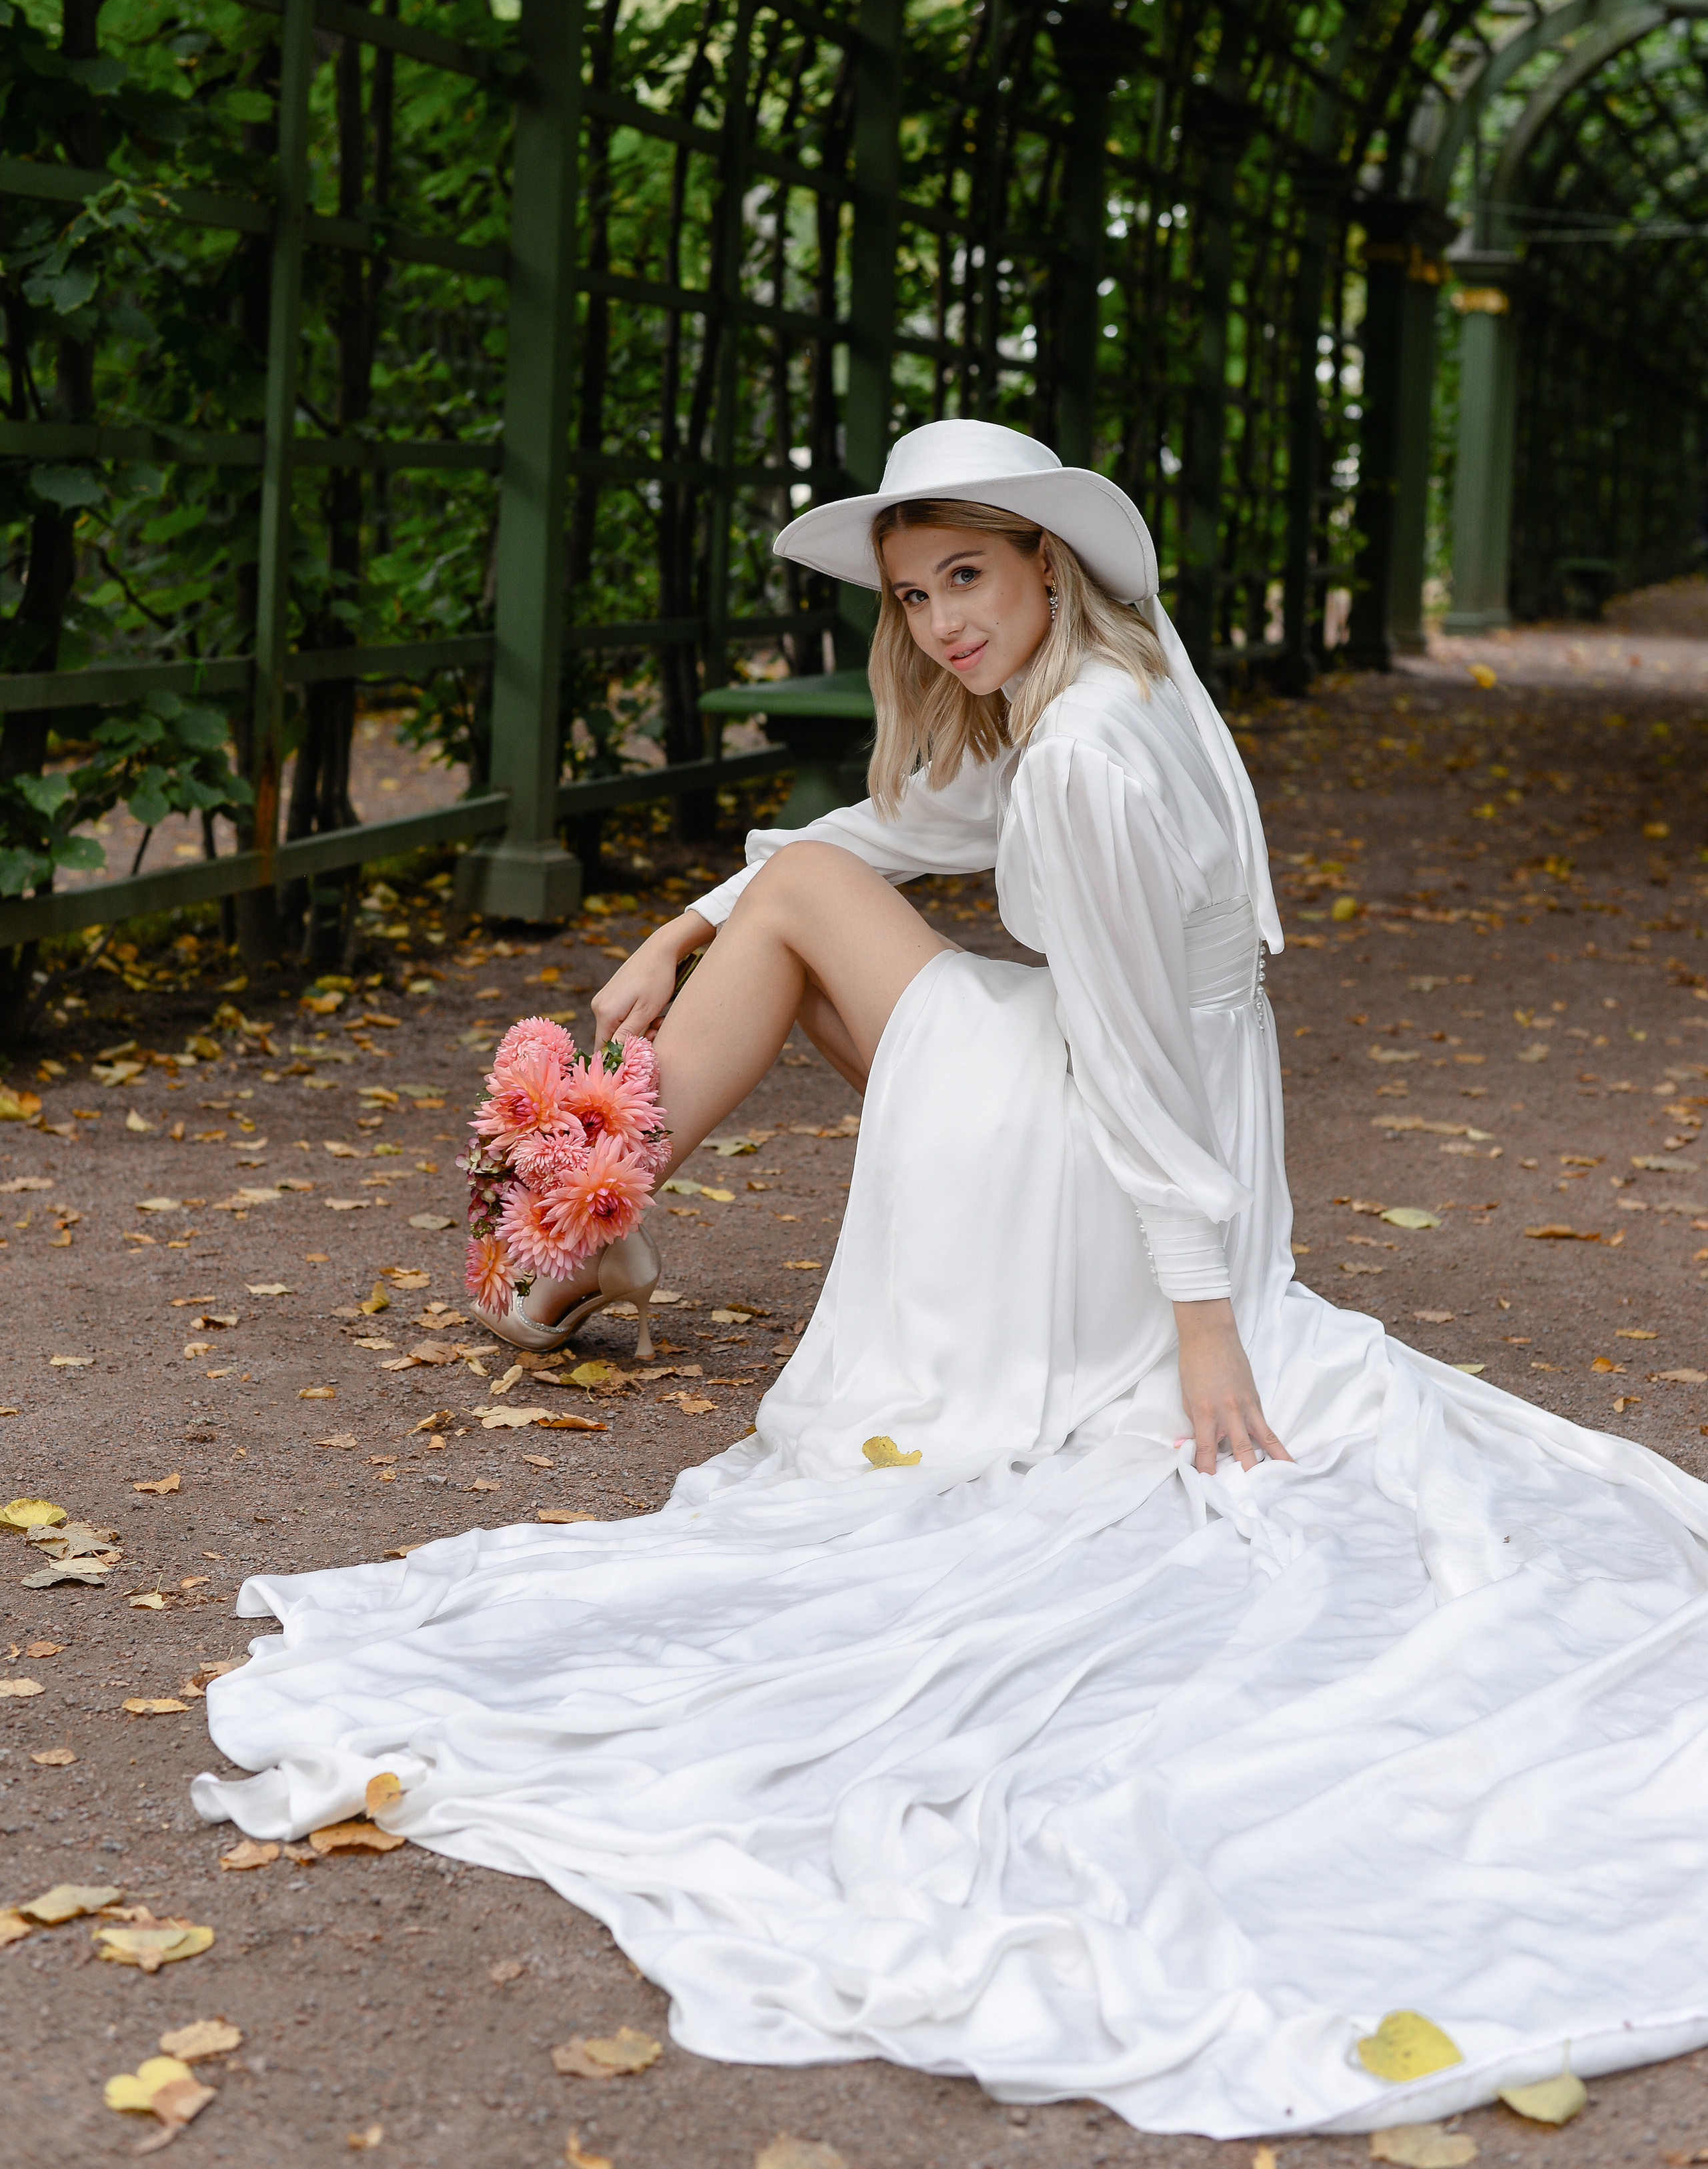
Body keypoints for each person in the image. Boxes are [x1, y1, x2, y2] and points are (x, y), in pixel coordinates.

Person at [194, 421, 1708, 2142]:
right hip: (1155, 1110)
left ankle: (590, 1217)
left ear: (1046, 559)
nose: (941, 626)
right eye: (913, 598)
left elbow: (1131, 1053)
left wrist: (1204, 1325)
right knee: (805, 890)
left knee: (806, 904)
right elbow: (907, 822)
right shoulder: (1119, 691)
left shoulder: (1090, 757)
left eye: (967, 578)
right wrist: (686, 921)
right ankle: (589, 1212)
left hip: (1118, 1144)